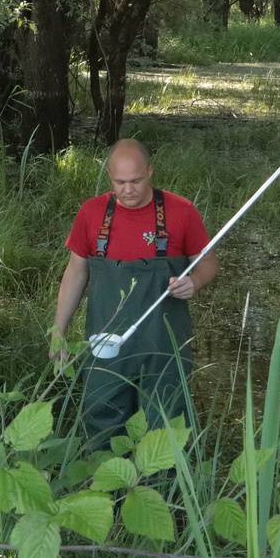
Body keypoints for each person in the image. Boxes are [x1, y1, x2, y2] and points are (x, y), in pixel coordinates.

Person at [50, 139, 218, 449]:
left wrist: (194, 282)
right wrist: (59, 330)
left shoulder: (181, 212)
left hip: (164, 343)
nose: (129, 190)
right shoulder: (92, 213)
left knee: (164, 420)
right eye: (120, 182)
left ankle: (162, 488)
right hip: (107, 343)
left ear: (150, 171)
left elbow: (208, 264)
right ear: (110, 177)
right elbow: (76, 272)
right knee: (101, 413)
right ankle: (104, 487)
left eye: (137, 180)